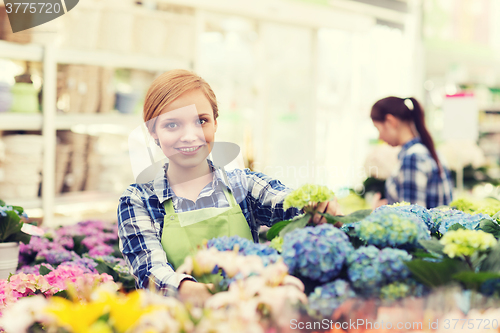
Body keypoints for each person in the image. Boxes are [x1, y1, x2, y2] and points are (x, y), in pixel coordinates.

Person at [117, 69, 341, 304]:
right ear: (153, 132)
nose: (190, 136)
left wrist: (317, 206)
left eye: (201, 121)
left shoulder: (243, 184)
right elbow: (153, 276)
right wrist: (224, 295)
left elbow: (287, 202)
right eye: (172, 125)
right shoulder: (138, 200)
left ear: (215, 124)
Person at [370, 96, 453, 208]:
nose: (380, 137)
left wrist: (377, 213)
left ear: (390, 121)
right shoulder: (425, 151)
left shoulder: (413, 158)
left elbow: (412, 219)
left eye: (378, 129)